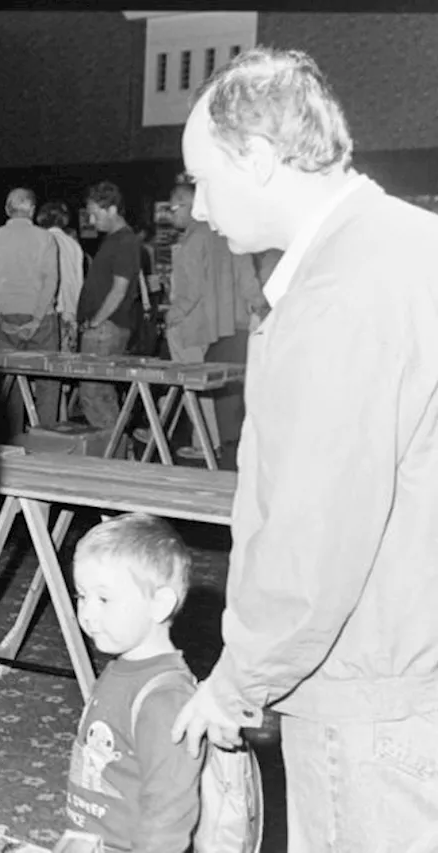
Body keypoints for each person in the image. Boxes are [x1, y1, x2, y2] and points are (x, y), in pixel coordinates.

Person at [170, 48, 438, 853]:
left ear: (257, 158)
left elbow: (315, 530)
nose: (197, 209)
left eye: (204, 181)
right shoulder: (412, 242)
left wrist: (237, 681)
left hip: (365, 680)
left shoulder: (338, 290)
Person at [67, 513, 203, 852]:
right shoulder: (121, 668)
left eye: (104, 599)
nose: (87, 614)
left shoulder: (165, 698)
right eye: (81, 596)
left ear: (159, 605)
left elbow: (169, 808)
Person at [161, 182, 264, 459]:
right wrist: (260, 308)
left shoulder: (192, 240)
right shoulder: (229, 235)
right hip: (227, 329)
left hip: (192, 325)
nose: (170, 215)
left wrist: (172, 315)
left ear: (188, 205)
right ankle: (212, 443)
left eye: (172, 208)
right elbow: (248, 281)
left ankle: (201, 444)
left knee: (192, 386)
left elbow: (190, 290)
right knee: (214, 389)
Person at [0, 187, 61, 434]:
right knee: (48, 382)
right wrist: (35, 320)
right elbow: (50, 283)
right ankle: (47, 440)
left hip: (6, 319)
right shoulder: (45, 239)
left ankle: (12, 437)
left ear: (7, 210)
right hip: (41, 319)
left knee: (11, 383)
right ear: (32, 209)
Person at [76, 181, 142, 444]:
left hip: (106, 329)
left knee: (93, 393)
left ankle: (114, 449)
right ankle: (117, 448)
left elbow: (119, 290)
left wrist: (95, 321)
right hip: (105, 327)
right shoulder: (117, 240)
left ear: (112, 209)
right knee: (101, 393)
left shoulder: (125, 241)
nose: (92, 220)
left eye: (95, 213)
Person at [36, 200, 85, 353]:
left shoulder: (40, 241)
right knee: (66, 363)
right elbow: (79, 280)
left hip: (49, 313)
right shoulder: (73, 244)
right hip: (70, 312)